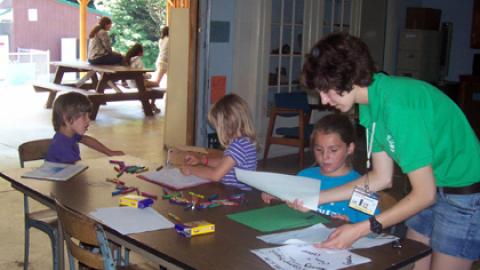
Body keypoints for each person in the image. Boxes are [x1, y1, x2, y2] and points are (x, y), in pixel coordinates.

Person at [295, 32, 479, 270]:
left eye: (327, 90)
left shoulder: (397, 107)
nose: (324, 100)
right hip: (433, 182)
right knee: (413, 258)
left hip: (464, 193)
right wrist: (315, 199)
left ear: (348, 77)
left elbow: (424, 195)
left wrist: (360, 229)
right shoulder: (372, 105)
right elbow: (380, 178)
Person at [262, 113, 379, 223]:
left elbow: (373, 228)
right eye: (319, 150)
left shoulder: (363, 187)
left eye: (333, 150)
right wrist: (276, 195)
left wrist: (351, 224)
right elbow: (291, 204)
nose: (325, 157)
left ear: (350, 148)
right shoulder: (304, 176)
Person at [180, 94, 257, 191]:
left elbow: (215, 175)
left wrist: (191, 169)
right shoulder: (244, 142)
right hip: (233, 192)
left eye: (217, 126)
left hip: (236, 195)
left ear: (226, 125)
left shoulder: (238, 146)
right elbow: (225, 163)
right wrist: (202, 160)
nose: (216, 130)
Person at [46, 92, 125, 164]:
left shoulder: (69, 134)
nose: (88, 120)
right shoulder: (62, 147)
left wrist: (109, 152)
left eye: (88, 116)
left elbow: (85, 139)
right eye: (84, 116)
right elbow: (75, 173)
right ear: (67, 118)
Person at [123, 43, 161, 113]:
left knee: (148, 90)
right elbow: (141, 74)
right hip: (138, 82)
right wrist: (149, 76)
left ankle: (148, 105)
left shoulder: (127, 60)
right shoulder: (138, 61)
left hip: (130, 83)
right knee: (156, 85)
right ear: (139, 52)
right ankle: (151, 105)